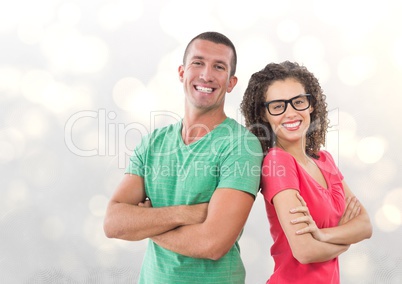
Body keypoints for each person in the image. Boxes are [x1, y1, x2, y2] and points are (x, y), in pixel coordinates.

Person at [103, 31, 263, 284]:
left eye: (218, 67)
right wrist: (185, 214)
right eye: (198, 63)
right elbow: (113, 223)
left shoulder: (241, 146)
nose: (206, 75)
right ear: (181, 72)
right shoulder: (153, 143)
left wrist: (146, 223)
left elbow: (212, 244)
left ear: (231, 83)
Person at [240, 61, 372, 283]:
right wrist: (346, 240)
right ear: (264, 114)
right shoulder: (277, 163)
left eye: (298, 102)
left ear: (311, 105)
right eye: (277, 106)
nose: (290, 113)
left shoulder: (324, 160)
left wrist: (322, 235)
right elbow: (305, 252)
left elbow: (365, 225)